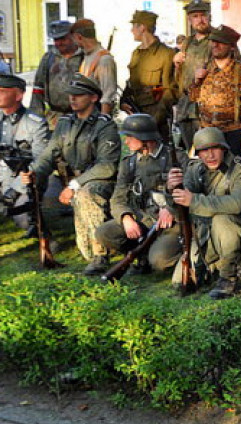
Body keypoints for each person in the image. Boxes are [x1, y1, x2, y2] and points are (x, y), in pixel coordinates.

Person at [22, 74, 120, 272]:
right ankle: (53, 242)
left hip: (100, 181)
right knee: (42, 195)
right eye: (70, 95)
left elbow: (107, 166)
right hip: (70, 181)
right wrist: (34, 171)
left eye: (79, 95)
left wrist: (74, 186)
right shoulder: (65, 123)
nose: (72, 99)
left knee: (85, 194)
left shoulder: (104, 125)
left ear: (93, 98)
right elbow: (49, 153)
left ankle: (100, 257)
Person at [167, 126, 241, 299]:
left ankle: (229, 275)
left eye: (214, 148)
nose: (210, 155)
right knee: (179, 282)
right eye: (204, 151)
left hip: (237, 234)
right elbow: (180, 211)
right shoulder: (195, 169)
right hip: (205, 234)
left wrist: (194, 200)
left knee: (222, 219)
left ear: (224, 148)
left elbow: (236, 204)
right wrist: (171, 190)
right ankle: (212, 266)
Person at [94, 114, 183, 277]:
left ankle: (167, 254)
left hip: (172, 223)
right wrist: (126, 217)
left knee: (160, 261)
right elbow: (118, 197)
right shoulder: (129, 163)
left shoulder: (176, 157)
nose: (126, 142)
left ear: (145, 138)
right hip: (144, 220)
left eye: (130, 137)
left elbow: (193, 189)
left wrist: (170, 207)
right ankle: (141, 255)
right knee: (104, 232)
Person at [189, 25, 241, 160]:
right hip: (207, 133)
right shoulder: (206, 69)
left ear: (231, 47)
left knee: (236, 174)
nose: (215, 45)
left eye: (221, 42)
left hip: (233, 133)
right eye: (213, 41)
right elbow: (193, 98)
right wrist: (196, 81)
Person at [0, 74, 50, 236]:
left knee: (23, 220)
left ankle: (38, 228)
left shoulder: (35, 124)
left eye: (2, 91)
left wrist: (15, 190)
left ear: (19, 95)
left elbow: (41, 161)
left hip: (21, 185)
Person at [123, 10, 177, 139]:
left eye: (134, 26)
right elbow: (131, 81)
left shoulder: (166, 54)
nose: (131, 30)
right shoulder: (136, 53)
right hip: (137, 112)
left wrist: (155, 119)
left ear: (142, 27)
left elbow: (169, 91)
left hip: (156, 115)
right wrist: (124, 100)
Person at [172, 0, 214, 149]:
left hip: (207, 107)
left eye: (203, 15)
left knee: (208, 150)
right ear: (189, 20)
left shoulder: (218, 40)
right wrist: (177, 65)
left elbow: (234, 70)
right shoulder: (187, 43)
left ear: (209, 16)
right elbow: (180, 79)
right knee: (190, 153)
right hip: (186, 107)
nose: (200, 20)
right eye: (195, 16)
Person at [30, 20, 83, 125]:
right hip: (55, 120)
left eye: (62, 38)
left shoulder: (85, 58)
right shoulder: (48, 58)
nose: (58, 43)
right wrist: (36, 118)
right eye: (55, 39)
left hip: (81, 119)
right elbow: (38, 89)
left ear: (73, 36)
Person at [69, 19, 118, 115]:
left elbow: (108, 95)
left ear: (79, 37)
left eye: (74, 39)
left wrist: (103, 122)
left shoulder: (104, 60)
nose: (74, 43)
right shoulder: (86, 57)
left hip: (96, 117)